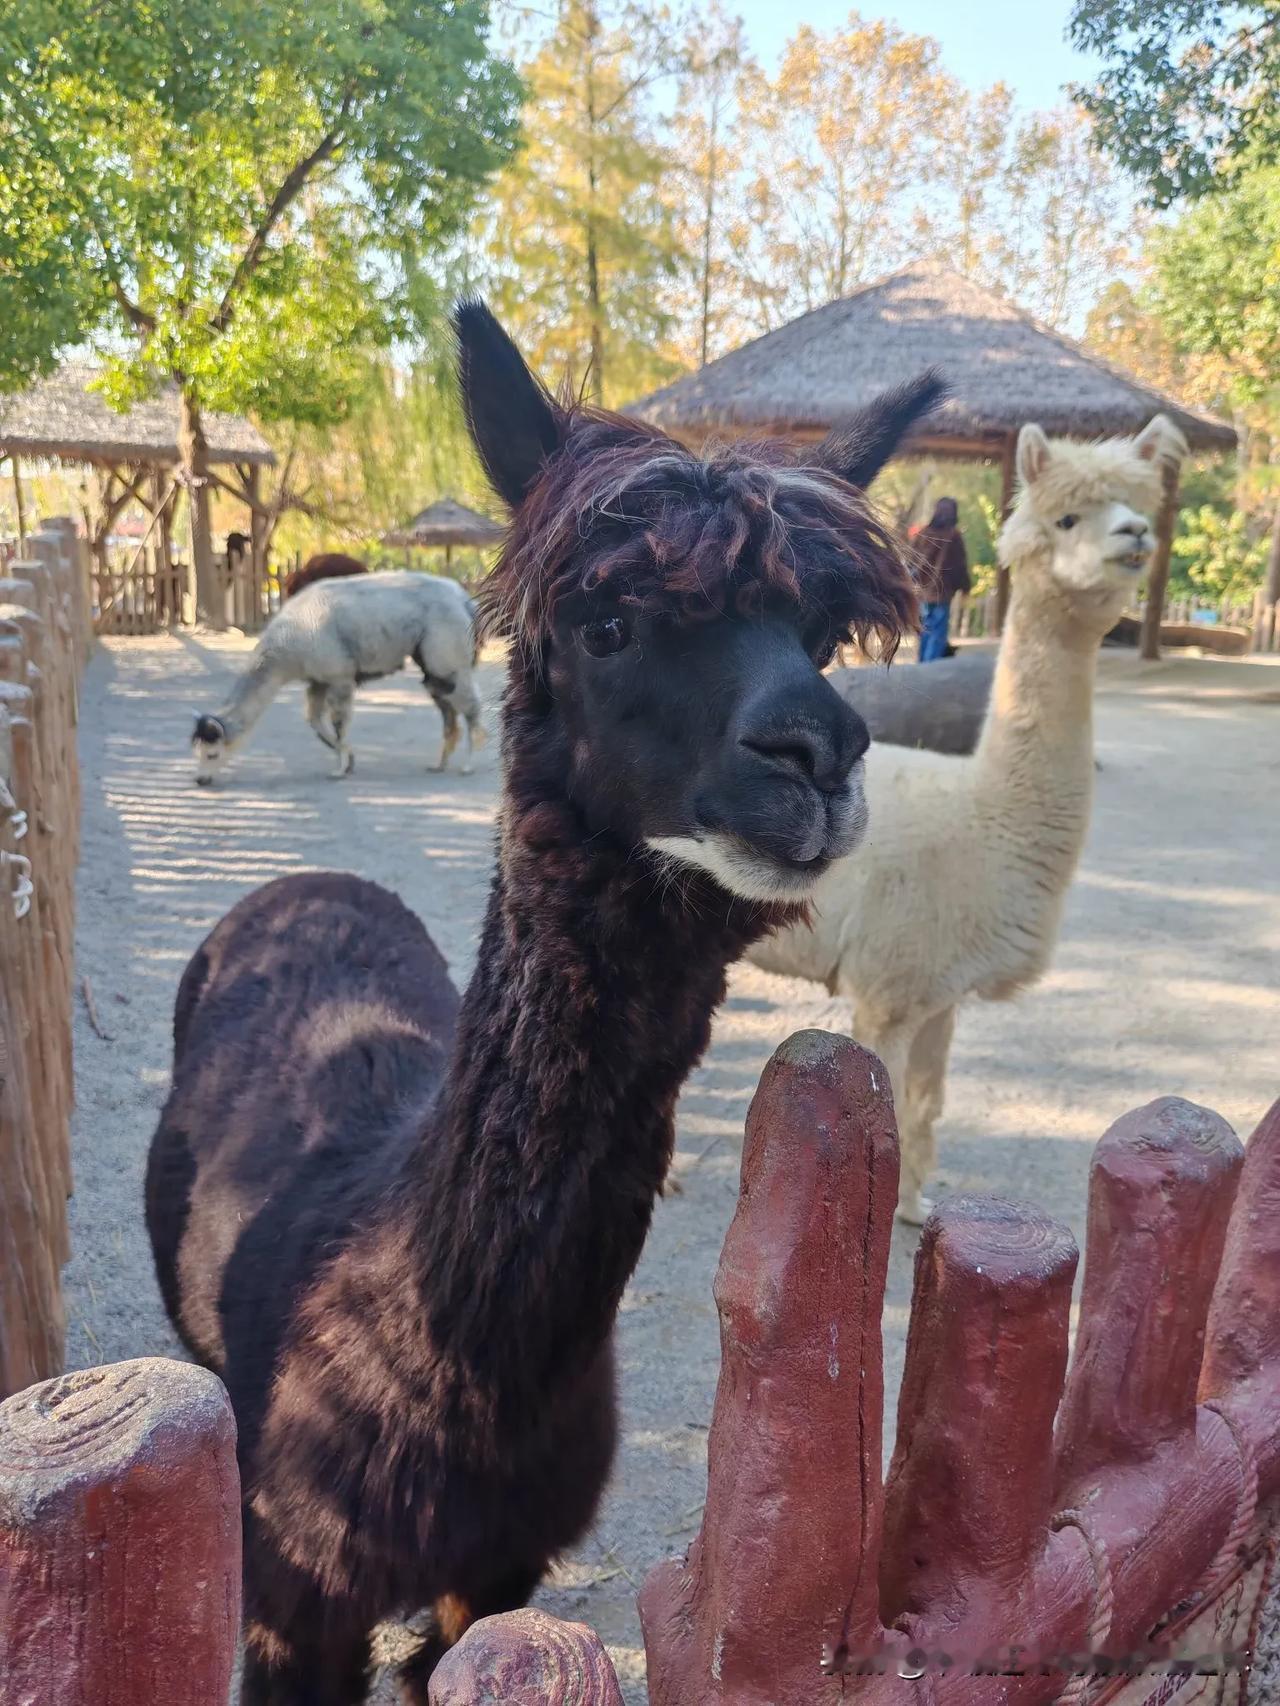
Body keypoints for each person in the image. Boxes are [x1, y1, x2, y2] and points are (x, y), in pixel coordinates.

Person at [911, 496, 970, 662]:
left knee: (925, 628)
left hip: (922, 592)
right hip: (942, 592)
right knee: (938, 630)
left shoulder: (922, 534)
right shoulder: (954, 536)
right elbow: (960, 564)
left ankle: (922, 663)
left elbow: (910, 561)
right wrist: (965, 587)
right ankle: (931, 665)